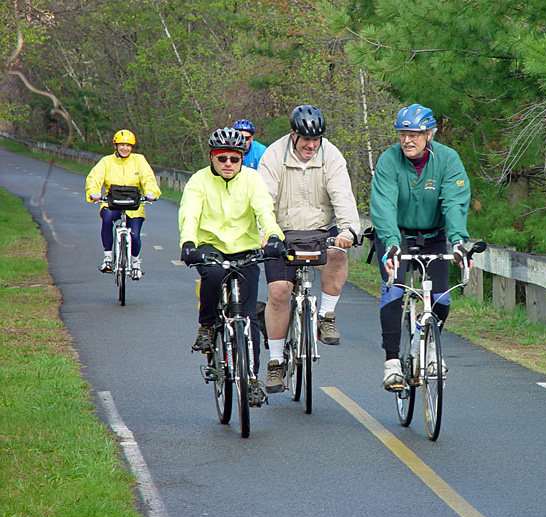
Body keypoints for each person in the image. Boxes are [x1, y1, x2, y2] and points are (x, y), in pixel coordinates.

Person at [257, 104, 361, 393]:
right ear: (293, 134)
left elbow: (343, 195)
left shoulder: (331, 155)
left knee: (339, 253)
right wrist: (268, 234)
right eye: (305, 140)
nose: (311, 146)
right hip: (282, 231)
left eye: (316, 140)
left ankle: (326, 315)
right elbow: (263, 199)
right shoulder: (274, 155)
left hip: (319, 229)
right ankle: (276, 361)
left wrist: (348, 230)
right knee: (278, 292)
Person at [178, 127, 285, 404]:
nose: (228, 164)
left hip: (245, 249)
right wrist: (188, 242)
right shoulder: (198, 181)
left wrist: (273, 236)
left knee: (248, 319)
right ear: (212, 158)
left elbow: (264, 209)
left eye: (234, 159)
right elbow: (189, 212)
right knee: (213, 276)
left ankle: (251, 380)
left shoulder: (253, 179)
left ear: (241, 159)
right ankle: (207, 326)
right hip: (210, 246)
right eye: (222, 158)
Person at [370, 104, 472, 391]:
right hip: (397, 234)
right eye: (403, 134)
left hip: (435, 234)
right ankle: (392, 363)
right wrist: (390, 243)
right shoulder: (389, 160)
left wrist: (457, 242)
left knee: (441, 297)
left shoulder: (448, 159)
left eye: (415, 134)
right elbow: (384, 205)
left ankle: (425, 343)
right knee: (394, 287)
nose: (407, 140)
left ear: (429, 135)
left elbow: (454, 202)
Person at [85, 129, 161, 280]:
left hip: (134, 205)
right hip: (112, 203)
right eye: (122, 145)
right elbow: (93, 178)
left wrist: (151, 192)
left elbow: (148, 178)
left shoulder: (139, 160)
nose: (125, 148)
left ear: (132, 147)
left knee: (135, 235)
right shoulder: (106, 162)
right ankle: (108, 257)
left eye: (128, 145)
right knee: (107, 219)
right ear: (116, 146)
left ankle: (135, 263)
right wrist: (94, 192)